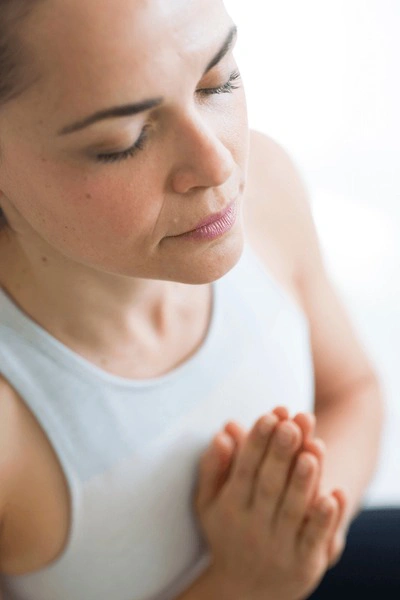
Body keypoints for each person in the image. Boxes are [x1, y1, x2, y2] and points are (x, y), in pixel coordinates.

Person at [0, 0, 385, 599]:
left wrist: (294, 528)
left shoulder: (267, 198)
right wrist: (245, 582)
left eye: (218, 81)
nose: (217, 161)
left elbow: (353, 392)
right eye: (124, 141)